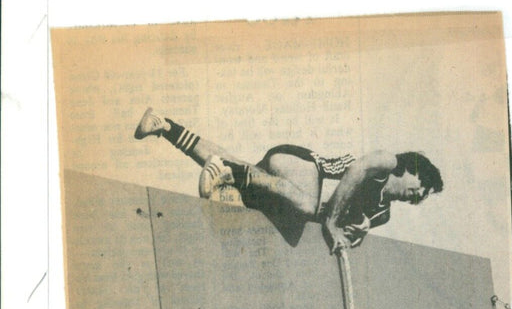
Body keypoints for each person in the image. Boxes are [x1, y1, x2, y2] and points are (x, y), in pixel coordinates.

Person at [134, 108, 443, 253]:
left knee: (229, 159)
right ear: (413, 169)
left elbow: (347, 232)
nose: (417, 196)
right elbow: (354, 174)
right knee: (311, 205)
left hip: (286, 188)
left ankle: (165, 126)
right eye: (420, 188)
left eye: (422, 197)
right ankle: (234, 177)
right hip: (302, 166)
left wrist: (360, 231)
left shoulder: (383, 214)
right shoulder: (386, 164)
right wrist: (334, 223)